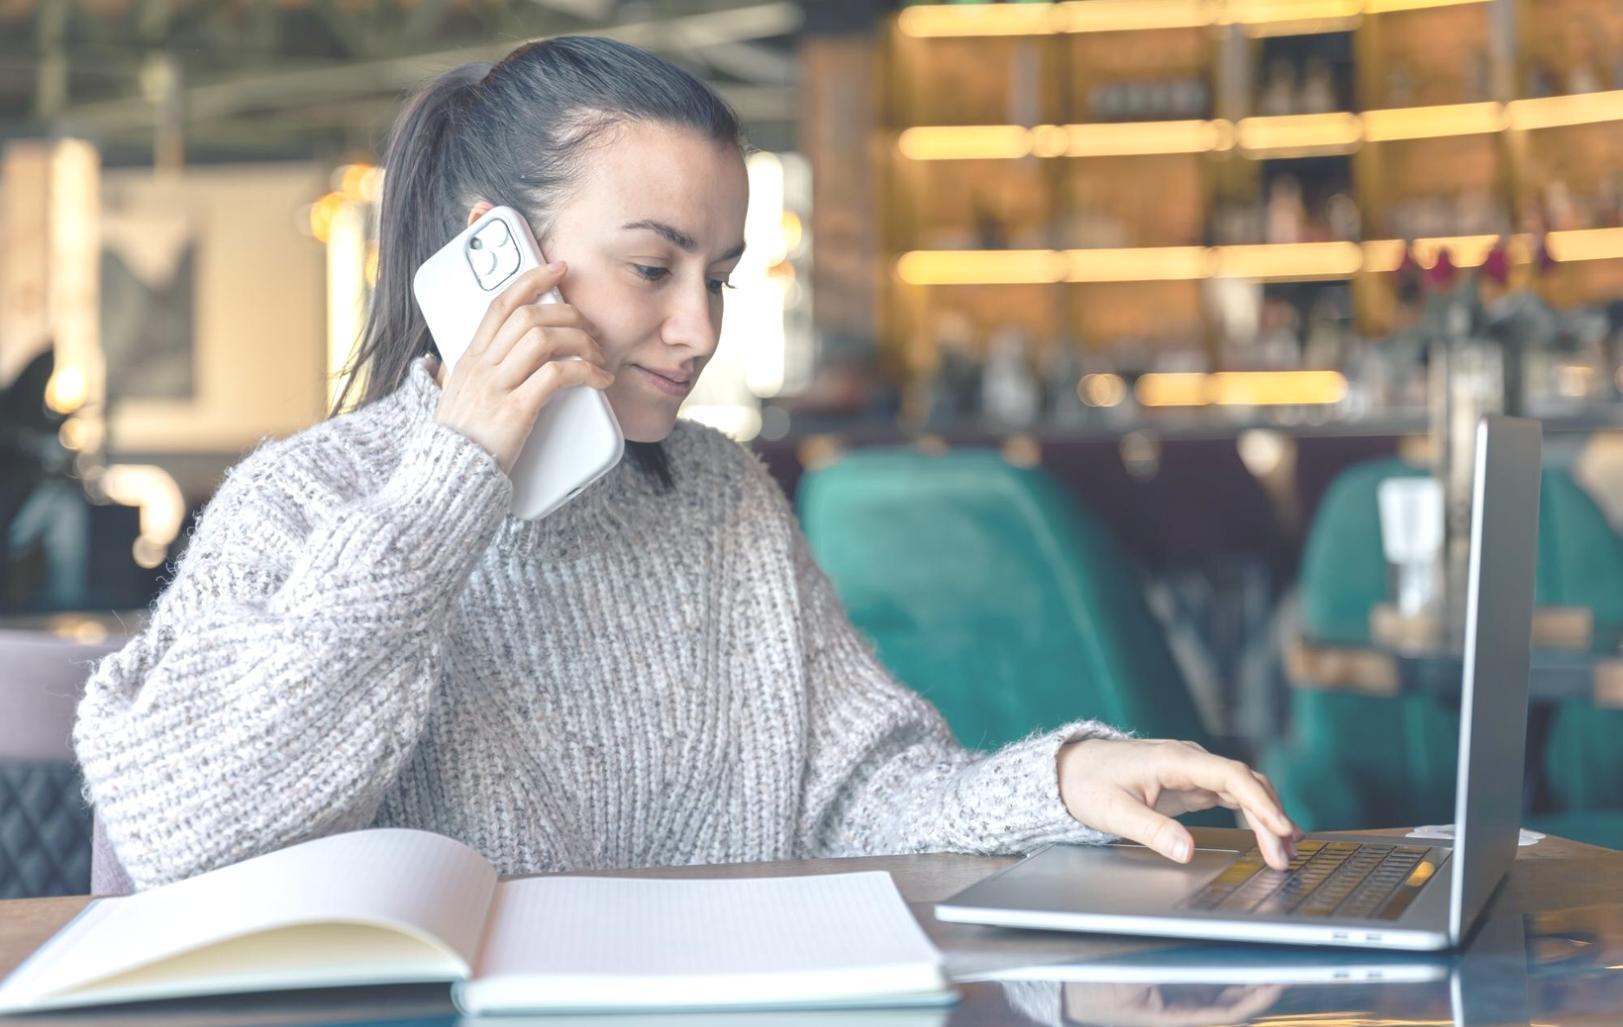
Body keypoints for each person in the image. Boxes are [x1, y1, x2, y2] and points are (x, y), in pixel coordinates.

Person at [74, 36, 1300, 892]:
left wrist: (1063, 778)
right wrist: (456, 477)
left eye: (716, 276)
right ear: (494, 257)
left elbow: (860, 794)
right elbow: (186, 825)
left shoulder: (719, 498)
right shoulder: (310, 496)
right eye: (653, 268)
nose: (701, 330)